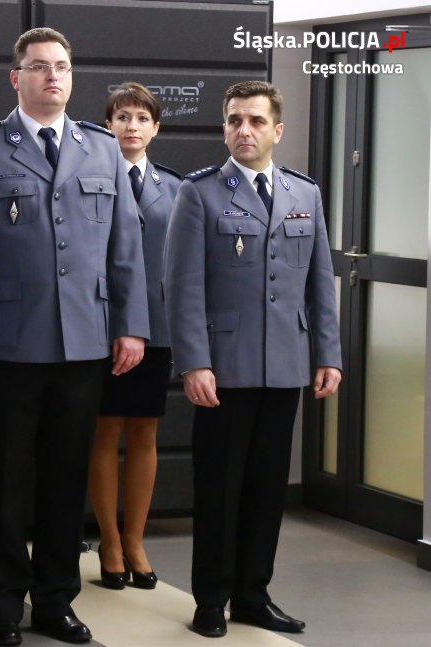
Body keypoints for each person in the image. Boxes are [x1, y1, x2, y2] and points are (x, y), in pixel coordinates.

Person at [0, 28, 150, 646]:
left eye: (61, 66)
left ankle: (56, 601)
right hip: (5, 344)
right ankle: (2, 606)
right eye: (39, 67)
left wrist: (131, 325)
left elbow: (125, 248)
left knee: (65, 478)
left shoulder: (101, 148)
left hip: (83, 342)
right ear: (16, 78)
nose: (53, 76)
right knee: (4, 481)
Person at [163, 80, 341, 639]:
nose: (245, 130)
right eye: (236, 120)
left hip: (285, 365)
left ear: (277, 130)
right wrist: (195, 362)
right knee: (219, 490)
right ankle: (211, 600)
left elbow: (320, 282)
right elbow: (182, 287)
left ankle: (252, 596)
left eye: (257, 121)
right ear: (224, 129)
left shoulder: (304, 194)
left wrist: (328, 354)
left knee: (267, 491)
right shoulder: (199, 193)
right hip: (224, 367)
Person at [87, 82, 179, 592]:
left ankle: (135, 539)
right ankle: (108, 540)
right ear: (108, 126)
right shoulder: (89, 180)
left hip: (156, 327)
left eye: (142, 118)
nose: (132, 126)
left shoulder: (176, 188)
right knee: (104, 432)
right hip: (100, 326)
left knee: (144, 433)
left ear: (156, 128)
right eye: (122, 117)